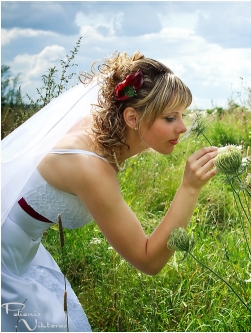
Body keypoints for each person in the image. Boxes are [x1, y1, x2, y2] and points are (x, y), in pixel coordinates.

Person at [1, 51, 218, 331]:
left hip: (20, 246)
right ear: (131, 117)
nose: (183, 127)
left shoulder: (102, 131)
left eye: (182, 115)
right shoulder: (90, 167)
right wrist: (190, 187)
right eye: (170, 118)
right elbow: (148, 259)